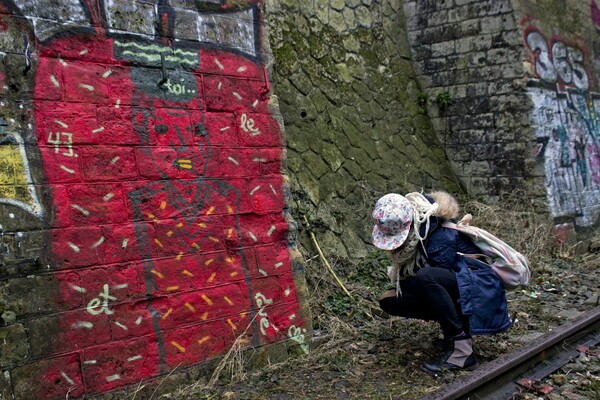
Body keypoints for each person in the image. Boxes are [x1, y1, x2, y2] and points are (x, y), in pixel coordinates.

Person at [371, 191, 512, 374]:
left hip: (481, 294)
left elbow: (440, 284)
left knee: (427, 279)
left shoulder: (438, 235)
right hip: (465, 287)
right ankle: (452, 336)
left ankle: (462, 350)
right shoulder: (424, 229)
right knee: (390, 299)